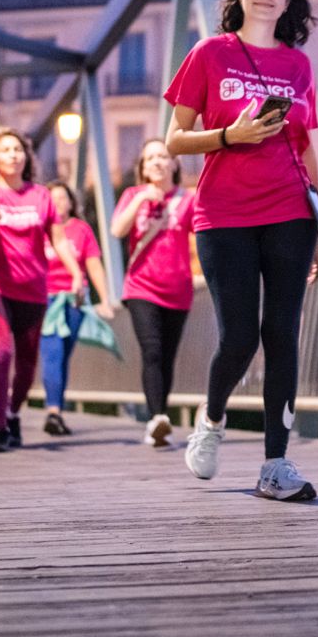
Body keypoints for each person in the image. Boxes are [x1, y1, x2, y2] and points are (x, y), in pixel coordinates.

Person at [163, 0, 318, 502]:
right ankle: (211, 422)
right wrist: (229, 136)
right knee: (238, 334)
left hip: (290, 211)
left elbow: (305, 142)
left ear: (288, 1)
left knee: (282, 333)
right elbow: (174, 140)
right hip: (224, 213)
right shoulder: (210, 54)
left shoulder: (298, 65)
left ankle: (275, 464)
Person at [0, 127, 85, 454]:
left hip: (33, 289)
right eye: (5, 150)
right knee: (2, 353)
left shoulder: (40, 195)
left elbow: (58, 239)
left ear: (26, 157)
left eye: (18, 150)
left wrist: (77, 275)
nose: (13, 155)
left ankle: (14, 411)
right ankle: (0, 427)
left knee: (27, 367)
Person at [110, 139, 196, 449]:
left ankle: (160, 417)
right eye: (150, 159)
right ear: (143, 168)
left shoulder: (187, 200)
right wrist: (141, 200)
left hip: (178, 288)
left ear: (174, 163)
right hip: (140, 287)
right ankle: (157, 418)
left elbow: (207, 234)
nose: (158, 162)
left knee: (167, 357)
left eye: (163, 156)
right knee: (153, 351)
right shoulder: (133, 196)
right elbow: (117, 230)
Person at [39, 181, 116, 436]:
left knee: (63, 355)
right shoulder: (39, 229)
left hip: (75, 300)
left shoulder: (81, 230)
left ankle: (56, 410)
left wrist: (104, 299)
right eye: (53, 198)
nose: (58, 202)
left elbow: (93, 265)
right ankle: (53, 411)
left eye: (63, 198)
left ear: (72, 203)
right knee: (53, 352)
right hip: (45, 299)